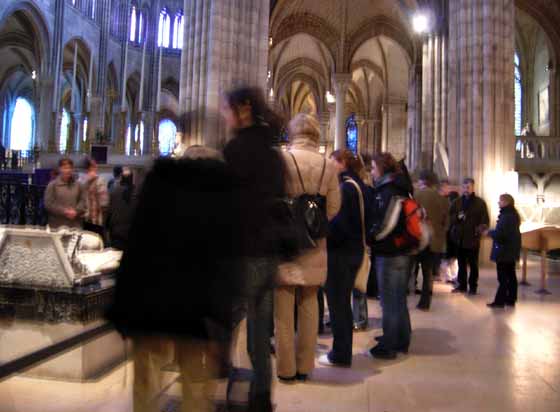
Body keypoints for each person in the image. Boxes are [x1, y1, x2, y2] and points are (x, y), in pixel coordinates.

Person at [106, 146, 242, 412]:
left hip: (150, 305)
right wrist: (223, 323)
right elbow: (225, 265)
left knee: (146, 380)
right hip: (195, 312)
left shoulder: (157, 188)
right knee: (195, 382)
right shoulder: (219, 201)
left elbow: (135, 248)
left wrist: (123, 308)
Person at [221, 86, 286, 412]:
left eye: (227, 108)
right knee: (261, 333)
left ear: (243, 109)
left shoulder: (236, 149)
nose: (225, 115)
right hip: (268, 252)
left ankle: (223, 386)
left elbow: (228, 204)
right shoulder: (273, 153)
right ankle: (262, 397)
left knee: (221, 321)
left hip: (242, 250)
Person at [274, 113, 340, 382]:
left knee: (283, 308)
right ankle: (305, 367)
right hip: (315, 244)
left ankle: (286, 369)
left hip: (286, 243)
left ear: (292, 133)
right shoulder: (328, 165)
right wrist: (313, 224)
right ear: (315, 133)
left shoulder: (283, 160)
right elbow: (333, 208)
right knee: (310, 304)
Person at [318, 149, 371, 367]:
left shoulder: (345, 188)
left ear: (341, 163)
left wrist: (322, 228)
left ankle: (340, 354)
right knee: (344, 304)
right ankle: (344, 351)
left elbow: (338, 225)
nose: (330, 167)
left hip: (341, 253)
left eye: (332, 162)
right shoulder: (363, 187)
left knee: (338, 304)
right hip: (356, 251)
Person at [368, 153, 413, 359]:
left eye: (373, 168)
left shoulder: (390, 190)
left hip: (390, 252)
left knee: (389, 300)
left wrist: (371, 238)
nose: (371, 172)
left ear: (382, 169)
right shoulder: (402, 186)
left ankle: (389, 344)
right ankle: (401, 338)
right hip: (401, 250)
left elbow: (387, 223)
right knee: (398, 299)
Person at [414, 170, 450, 310]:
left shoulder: (416, 195)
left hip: (418, 237)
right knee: (428, 270)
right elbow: (447, 220)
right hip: (434, 239)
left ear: (422, 181)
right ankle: (425, 300)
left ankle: (407, 291)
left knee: (413, 267)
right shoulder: (442, 198)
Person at [449, 178, 490, 295]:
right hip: (459, 238)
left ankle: (473, 286)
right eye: (464, 187)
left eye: (468, 187)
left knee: (473, 264)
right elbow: (450, 217)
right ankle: (462, 285)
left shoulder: (480, 203)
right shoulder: (456, 202)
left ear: (473, 188)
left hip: (472, 238)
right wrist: (457, 217)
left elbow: (484, 220)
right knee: (461, 264)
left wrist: (478, 232)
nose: (466, 189)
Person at [485, 194, 522, 308]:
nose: (498, 203)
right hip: (510, 250)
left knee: (503, 277)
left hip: (504, 251)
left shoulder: (507, 216)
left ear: (506, 202)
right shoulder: (512, 215)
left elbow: (502, 235)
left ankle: (500, 301)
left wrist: (489, 233)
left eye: (500, 201)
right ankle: (511, 299)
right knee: (511, 275)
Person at [44, 158, 86, 229]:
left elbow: (83, 200)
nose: (68, 170)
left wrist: (76, 211)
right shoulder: (52, 185)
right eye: (65, 168)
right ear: (60, 169)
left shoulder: (79, 185)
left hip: (75, 224)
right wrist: (64, 211)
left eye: (70, 168)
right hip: (57, 225)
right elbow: (48, 204)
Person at [106, 169, 136, 250]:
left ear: (121, 178)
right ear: (132, 178)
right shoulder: (137, 192)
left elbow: (109, 211)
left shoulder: (113, 192)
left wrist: (107, 228)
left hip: (116, 233)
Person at [81, 158, 109, 238]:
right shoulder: (100, 181)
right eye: (95, 165)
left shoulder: (81, 181)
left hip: (84, 219)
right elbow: (104, 202)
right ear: (93, 167)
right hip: (96, 220)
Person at [439, 179, 460, 284]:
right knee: (450, 258)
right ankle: (451, 276)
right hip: (450, 234)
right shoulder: (444, 202)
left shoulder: (447, 203)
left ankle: (450, 276)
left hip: (450, 234)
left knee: (448, 258)